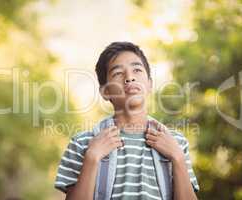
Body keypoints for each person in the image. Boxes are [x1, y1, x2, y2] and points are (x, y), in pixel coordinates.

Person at [54, 42, 199, 200]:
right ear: (105, 91)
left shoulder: (176, 143)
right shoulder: (82, 144)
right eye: (117, 73)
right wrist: (92, 157)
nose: (129, 78)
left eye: (137, 70)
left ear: (150, 84)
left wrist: (177, 158)